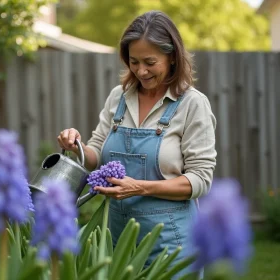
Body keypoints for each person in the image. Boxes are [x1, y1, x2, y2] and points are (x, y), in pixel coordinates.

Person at [58, 10, 216, 278]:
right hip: (116, 239)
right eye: (134, 61)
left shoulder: (192, 104)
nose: (141, 70)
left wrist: (139, 188)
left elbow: (200, 180)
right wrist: (77, 147)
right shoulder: (119, 97)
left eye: (150, 62)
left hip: (170, 243)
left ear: (173, 58)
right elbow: (97, 152)